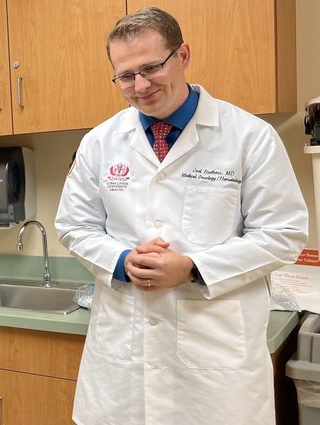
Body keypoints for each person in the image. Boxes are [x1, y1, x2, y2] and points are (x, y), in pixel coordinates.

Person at [54, 7, 307, 425]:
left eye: (152, 67)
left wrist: (192, 268)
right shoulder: (100, 142)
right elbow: (73, 225)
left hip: (215, 374)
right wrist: (120, 262)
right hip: (123, 369)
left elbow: (283, 233)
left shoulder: (248, 136)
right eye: (125, 75)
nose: (140, 85)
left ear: (183, 55)